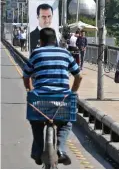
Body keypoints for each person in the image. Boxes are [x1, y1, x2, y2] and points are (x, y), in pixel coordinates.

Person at [22, 28, 83, 166]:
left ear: (41, 41)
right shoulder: (65, 53)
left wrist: (30, 90)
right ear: (55, 40)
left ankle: (37, 152)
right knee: (66, 123)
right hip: (61, 101)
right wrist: (72, 92)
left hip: (40, 101)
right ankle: (61, 150)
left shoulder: (36, 53)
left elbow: (26, 76)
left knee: (36, 123)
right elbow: (79, 76)